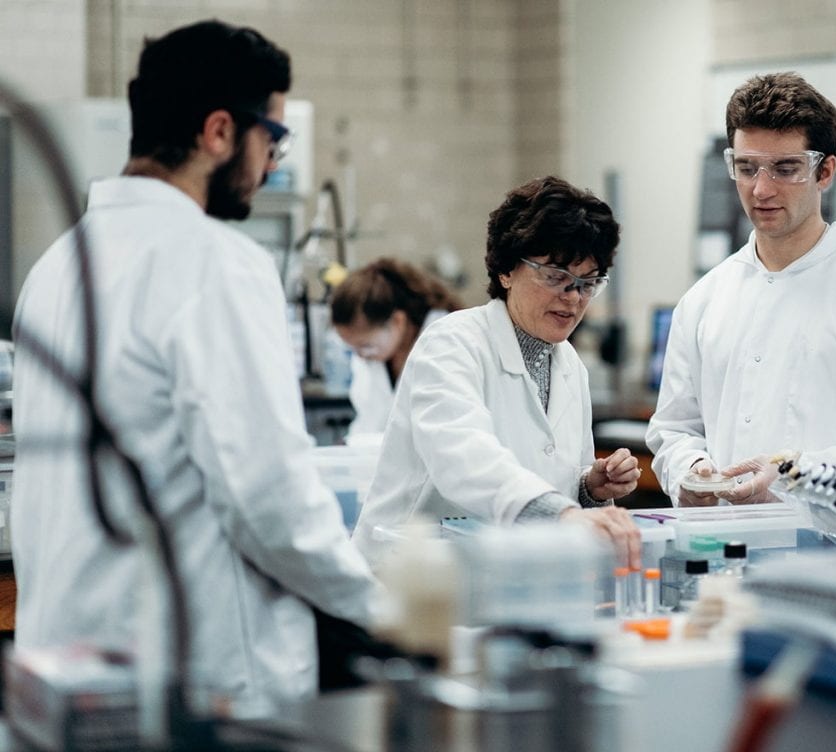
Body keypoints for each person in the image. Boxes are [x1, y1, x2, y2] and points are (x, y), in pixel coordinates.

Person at [11, 20, 380, 715]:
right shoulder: (213, 262)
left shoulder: (56, 266)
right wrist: (385, 609)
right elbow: (270, 500)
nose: (272, 163)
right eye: (271, 139)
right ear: (218, 133)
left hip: (67, 662)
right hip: (192, 676)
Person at [646, 72, 836, 511]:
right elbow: (674, 430)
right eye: (747, 167)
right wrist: (691, 471)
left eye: (786, 169)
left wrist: (801, 475)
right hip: (722, 556)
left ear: (824, 170)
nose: (761, 189)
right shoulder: (703, 300)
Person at [353, 176, 642, 570]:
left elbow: (549, 474)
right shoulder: (452, 344)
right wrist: (562, 514)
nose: (573, 298)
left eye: (587, 283)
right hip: (412, 577)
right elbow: (465, 458)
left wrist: (589, 487)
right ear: (506, 271)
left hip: (505, 577)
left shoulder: (570, 365)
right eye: (556, 276)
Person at [331, 257, 462, 437]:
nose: (361, 356)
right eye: (353, 348)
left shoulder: (444, 340)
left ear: (397, 321)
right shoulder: (374, 357)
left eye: (366, 346)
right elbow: (369, 421)